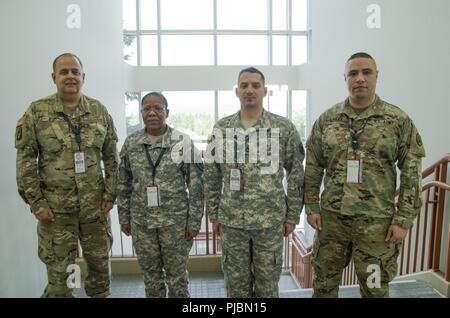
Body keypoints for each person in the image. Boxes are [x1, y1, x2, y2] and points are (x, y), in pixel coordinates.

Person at [305, 52, 426, 297]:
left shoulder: (397, 121)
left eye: (366, 72)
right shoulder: (327, 120)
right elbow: (314, 166)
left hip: (376, 225)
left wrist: (403, 220)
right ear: (345, 78)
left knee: (374, 289)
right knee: (324, 287)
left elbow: (412, 174)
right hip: (332, 222)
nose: (360, 78)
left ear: (376, 76)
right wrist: (311, 206)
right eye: (353, 73)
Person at [15, 53, 119, 298]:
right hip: (55, 214)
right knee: (60, 280)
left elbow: (112, 159)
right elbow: (26, 162)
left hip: (95, 211)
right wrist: (37, 203)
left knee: (100, 274)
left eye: (75, 71)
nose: (70, 76)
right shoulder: (37, 112)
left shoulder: (98, 110)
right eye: (64, 72)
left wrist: (110, 194)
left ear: (83, 77)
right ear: (54, 78)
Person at [204, 67, 305, 298]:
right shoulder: (222, 128)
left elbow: (297, 174)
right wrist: (214, 215)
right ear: (237, 92)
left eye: (255, 85)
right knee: (236, 288)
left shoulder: (283, 128)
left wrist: (292, 216)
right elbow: (211, 176)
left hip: (269, 223)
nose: (249, 90)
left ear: (265, 91)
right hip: (232, 223)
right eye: (244, 85)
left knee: (267, 288)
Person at [117, 92, 204, 298]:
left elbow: (197, 186)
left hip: (175, 224)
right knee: (151, 277)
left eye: (158, 108)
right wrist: (124, 218)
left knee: (177, 278)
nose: (152, 113)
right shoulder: (132, 143)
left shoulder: (182, 142)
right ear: (141, 113)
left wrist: (194, 222)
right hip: (142, 222)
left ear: (167, 112)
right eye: (147, 108)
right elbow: (123, 183)